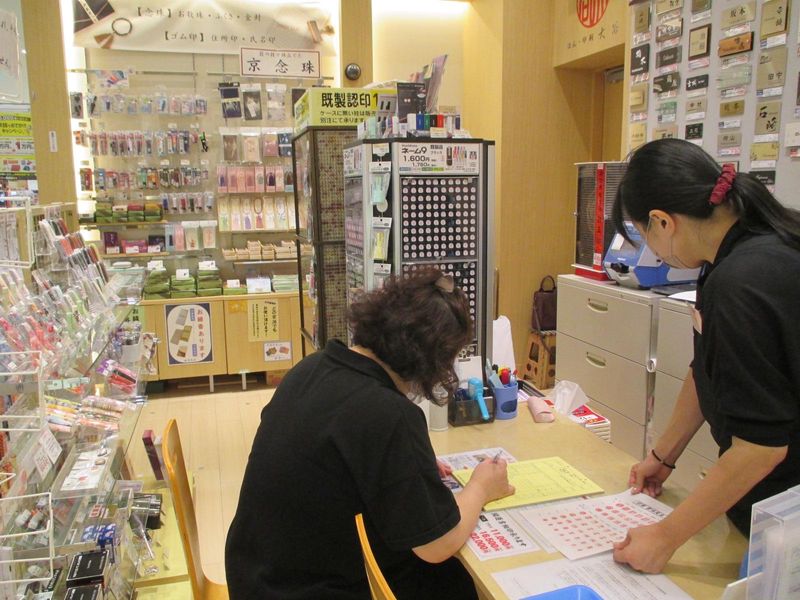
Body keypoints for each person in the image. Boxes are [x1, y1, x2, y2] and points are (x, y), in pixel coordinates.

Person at [225, 269, 514, 599]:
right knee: (455, 579)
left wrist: (407, 466)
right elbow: (436, 545)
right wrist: (481, 487)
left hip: (255, 576)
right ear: (431, 360)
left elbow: (337, 458)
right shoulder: (387, 412)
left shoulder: (312, 368)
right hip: (304, 590)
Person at [610, 138, 800, 573]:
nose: (652, 249)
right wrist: (664, 456)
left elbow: (761, 447)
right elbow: (708, 369)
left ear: (663, 222)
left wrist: (664, 537)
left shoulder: (743, 281)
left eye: (644, 234)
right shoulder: (731, 255)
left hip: (787, 507)